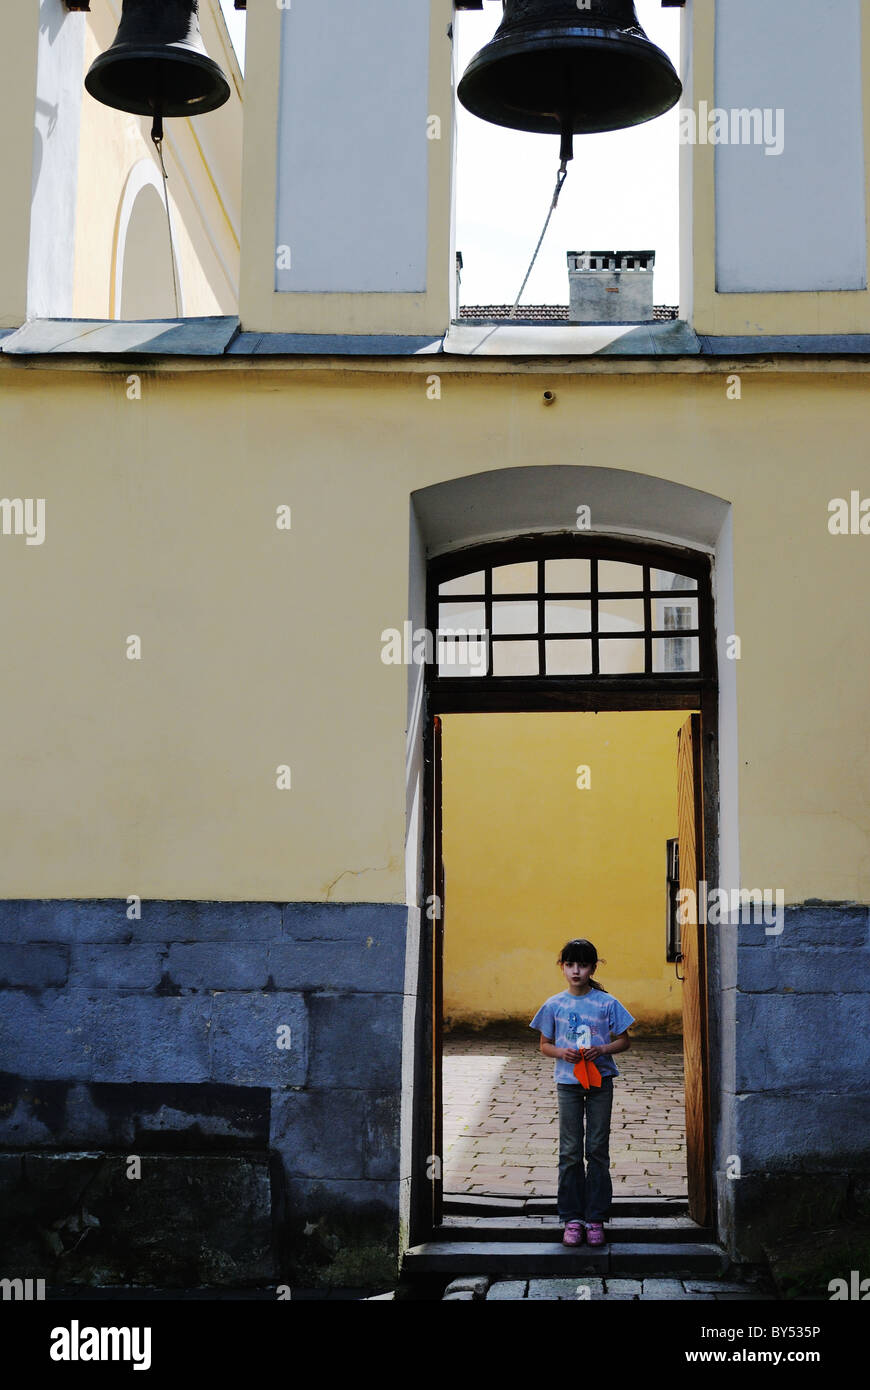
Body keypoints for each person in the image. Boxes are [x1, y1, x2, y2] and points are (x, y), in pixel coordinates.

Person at [530, 938, 635, 1248]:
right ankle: (572, 1218)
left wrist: (602, 1048)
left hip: (600, 1081)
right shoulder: (553, 1004)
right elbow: (544, 1045)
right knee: (571, 1150)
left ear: (593, 967)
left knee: (598, 1149)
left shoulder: (607, 1002)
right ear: (562, 967)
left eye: (583, 965)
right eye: (570, 965)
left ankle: (596, 1217)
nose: (576, 971)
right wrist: (562, 1053)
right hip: (568, 1084)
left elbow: (624, 1041)